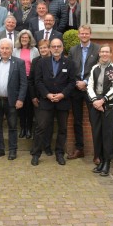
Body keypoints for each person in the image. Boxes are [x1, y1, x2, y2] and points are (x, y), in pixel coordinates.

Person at [31, 38, 75, 166]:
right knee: (40, 127)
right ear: (50, 48)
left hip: (63, 101)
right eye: (54, 46)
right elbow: (38, 81)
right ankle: (36, 154)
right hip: (46, 101)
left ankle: (60, 154)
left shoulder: (69, 63)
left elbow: (72, 82)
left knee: (62, 129)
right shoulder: (42, 63)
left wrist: (62, 94)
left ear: (62, 48)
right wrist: (47, 94)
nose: (56, 48)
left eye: (58, 46)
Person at [0, 38, 27, 160]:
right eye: (2, 48)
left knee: (12, 126)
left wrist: (20, 99)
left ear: (11, 49)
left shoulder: (19, 63)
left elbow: (24, 83)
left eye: (7, 48)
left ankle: (13, 150)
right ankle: (0, 149)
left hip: (12, 101)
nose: (4, 50)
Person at [87, 44, 113, 176]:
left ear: (111, 54)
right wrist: (95, 100)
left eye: (107, 52)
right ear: (99, 53)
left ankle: (107, 162)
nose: (104, 54)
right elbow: (90, 86)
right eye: (102, 52)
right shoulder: (94, 68)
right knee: (97, 134)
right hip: (96, 105)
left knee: (107, 135)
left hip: (109, 106)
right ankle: (100, 160)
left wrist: (103, 100)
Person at [67, 25, 100, 161]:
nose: (84, 35)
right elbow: (70, 69)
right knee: (77, 120)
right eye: (82, 33)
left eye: (86, 33)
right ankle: (79, 149)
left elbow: (98, 69)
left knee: (94, 120)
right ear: (78, 35)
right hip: (76, 89)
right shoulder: (73, 50)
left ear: (90, 34)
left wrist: (85, 82)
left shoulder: (97, 49)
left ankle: (97, 154)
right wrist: (77, 82)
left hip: (90, 89)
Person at [28, 39, 53, 156]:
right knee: (39, 124)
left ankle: (47, 147)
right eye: (41, 48)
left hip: (52, 97)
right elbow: (31, 80)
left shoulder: (54, 60)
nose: (43, 50)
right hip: (38, 98)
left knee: (49, 124)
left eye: (45, 47)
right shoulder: (35, 61)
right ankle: (36, 147)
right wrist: (33, 97)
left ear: (49, 48)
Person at [12, 29, 39, 139]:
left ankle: (28, 129)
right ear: (19, 39)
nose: (24, 39)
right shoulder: (15, 50)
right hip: (18, 80)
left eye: (26, 38)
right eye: (22, 37)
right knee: (21, 105)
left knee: (29, 105)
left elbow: (36, 66)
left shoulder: (35, 50)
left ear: (29, 39)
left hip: (30, 80)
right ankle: (22, 128)